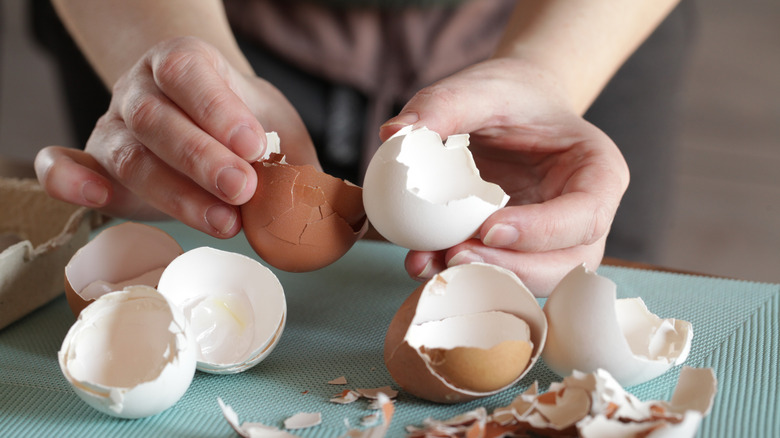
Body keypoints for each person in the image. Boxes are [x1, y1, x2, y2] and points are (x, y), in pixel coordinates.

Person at [32, 0, 691, 296]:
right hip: (209, 17)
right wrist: (172, 57)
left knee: (586, 284)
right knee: (176, 192)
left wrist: (548, 74)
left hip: (568, 23)